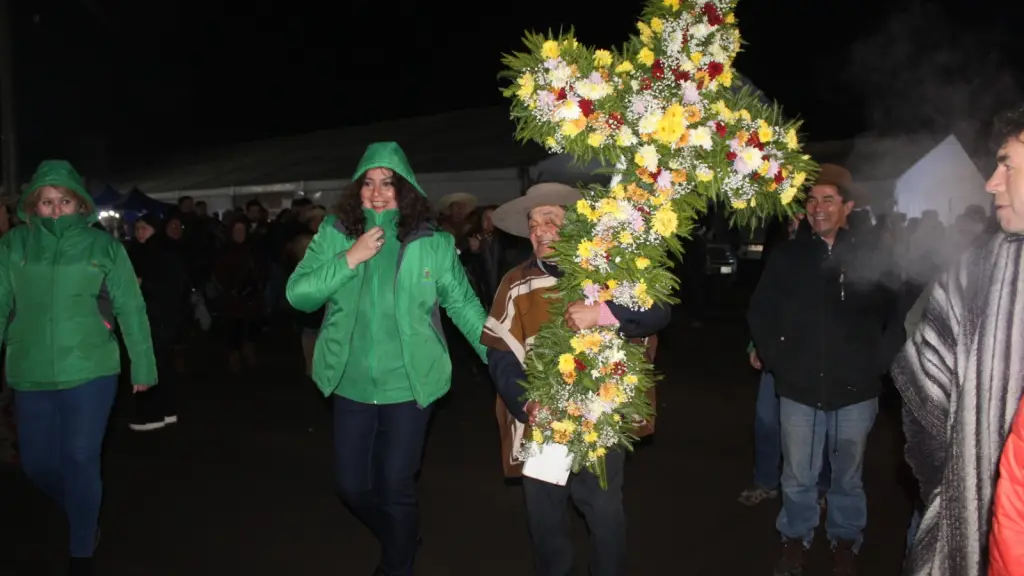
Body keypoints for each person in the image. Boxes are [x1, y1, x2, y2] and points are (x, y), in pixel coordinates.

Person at [286, 142, 487, 576]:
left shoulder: (432, 242)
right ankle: (402, 534)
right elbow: (298, 295)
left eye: (389, 183)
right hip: (350, 383)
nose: (377, 193)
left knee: (396, 485)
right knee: (351, 487)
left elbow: (465, 308)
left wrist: (506, 358)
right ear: (357, 189)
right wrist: (349, 258)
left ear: (407, 189)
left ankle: (398, 561)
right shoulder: (335, 235)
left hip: (411, 385)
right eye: (369, 183)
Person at [482, 182, 670, 576]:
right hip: (543, 421)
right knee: (545, 515)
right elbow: (500, 355)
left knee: (603, 511)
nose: (540, 230)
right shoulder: (515, 282)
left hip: (601, 415)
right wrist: (527, 404)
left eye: (550, 219)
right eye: (533, 224)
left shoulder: (611, 272)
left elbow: (659, 312)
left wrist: (605, 313)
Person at [0, 160, 157, 575]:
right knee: (37, 465)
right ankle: (83, 509)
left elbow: (130, 307)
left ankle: (81, 548)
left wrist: (143, 364)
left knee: (80, 457)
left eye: (63, 200)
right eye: (47, 201)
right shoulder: (13, 245)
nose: (55, 209)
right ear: (33, 205)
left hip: (91, 368)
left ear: (79, 204)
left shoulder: (103, 246)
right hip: (30, 369)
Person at [748, 164, 904, 576]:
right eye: (812, 200)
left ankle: (846, 540)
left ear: (847, 206)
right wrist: (777, 358)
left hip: (856, 388)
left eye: (828, 200)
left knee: (847, 475)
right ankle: (795, 537)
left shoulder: (871, 256)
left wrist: (879, 361)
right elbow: (761, 311)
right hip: (798, 386)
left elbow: (899, 313)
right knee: (798, 474)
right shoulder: (790, 255)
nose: (817, 208)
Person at [894, 104, 1024, 576]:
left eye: (1006, 162)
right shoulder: (975, 273)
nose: (991, 182)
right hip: (969, 536)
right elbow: (923, 394)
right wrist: (953, 500)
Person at [129, 212, 189, 431]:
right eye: (137, 228)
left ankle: (152, 413)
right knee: (162, 363)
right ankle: (166, 410)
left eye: (144, 228)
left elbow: (169, 285)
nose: (139, 233)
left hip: (155, 317)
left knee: (151, 363)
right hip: (163, 317)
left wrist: (142, 283)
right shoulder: (157, 251)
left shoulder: (153, 253)